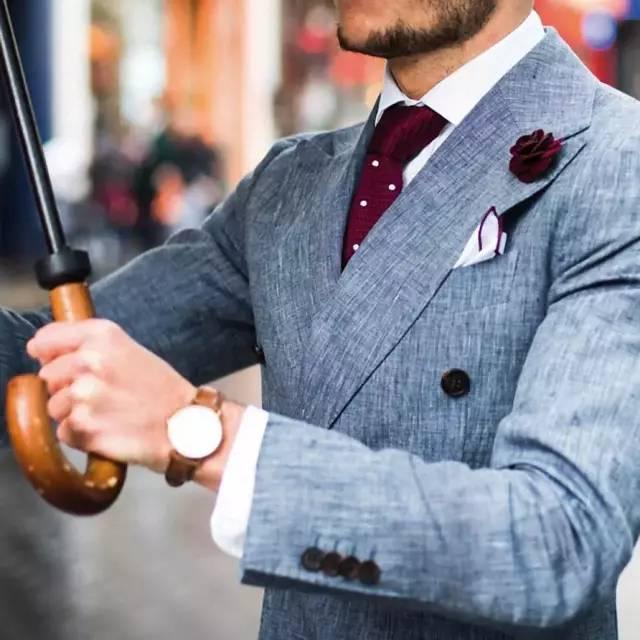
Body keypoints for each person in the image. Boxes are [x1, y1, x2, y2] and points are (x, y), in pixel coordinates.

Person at [2, 2, 640, 639]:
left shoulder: (616, 161)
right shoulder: (289, 183)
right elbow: (53, 351)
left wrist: (197, 432)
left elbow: (560, 539)